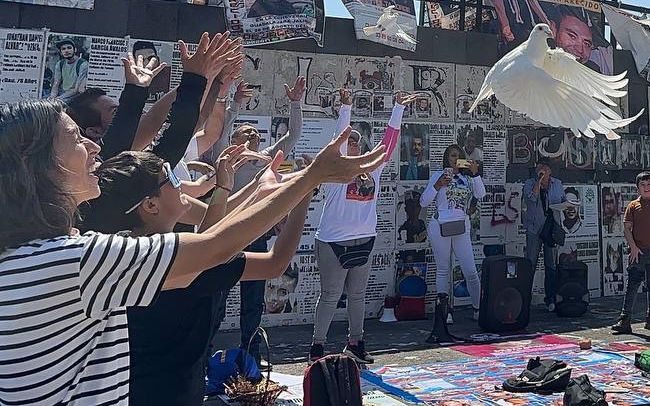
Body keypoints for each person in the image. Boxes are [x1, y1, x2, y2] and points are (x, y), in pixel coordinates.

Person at [0, 34, 387, 405]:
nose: (93, 147)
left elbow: (208, 221)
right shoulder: (74, 260)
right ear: (41, 166)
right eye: (75, 138)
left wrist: (194, 85)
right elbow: (217, 244)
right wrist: (310, 179)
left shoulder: (43, 252)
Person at [77, 145, 308, 406]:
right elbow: (274, 263)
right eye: (172, 178)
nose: (181, 184)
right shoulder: (177, 264)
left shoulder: (128, 253)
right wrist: (303, 194)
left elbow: (209, 242)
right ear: (150, 205)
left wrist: (230, 188)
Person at [210, 76, 305, 362]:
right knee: (217, 300)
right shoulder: (225, 156)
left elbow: (293, 135)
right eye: (246, 132)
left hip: (256, 237)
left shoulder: (266, 159)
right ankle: (203, 354)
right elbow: (221, 133)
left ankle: (250, 353)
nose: (253, 135)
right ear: (234, 140)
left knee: (253, 302)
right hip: (226, 238)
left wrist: (295, 103)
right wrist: (236, 103)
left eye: (256, 133)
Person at [310, 90, 407, 363]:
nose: (351, 144)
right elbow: (339, 137)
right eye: (348, 141)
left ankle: (356, 343)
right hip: (332, 240)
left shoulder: (372, 169)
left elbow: (388, 144)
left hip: (364, 238)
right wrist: (346, 108)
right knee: (330, 295)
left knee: (357, 295)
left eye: (356, 141)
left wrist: (398, 108)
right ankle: (317, 347)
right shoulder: (333, 172)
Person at [420, 144, 486, 323]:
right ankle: (445, 311)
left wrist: (475, 173)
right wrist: (437, 185)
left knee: (470, 271)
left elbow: (481, 194)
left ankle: (478, 309)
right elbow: (423, 202)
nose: (455, 159)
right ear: (446, 158)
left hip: (461, 227)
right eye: (452, 156)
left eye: (458, 156)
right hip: (440, 226)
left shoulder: (468, 178)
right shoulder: (438, 175)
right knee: (443, 269)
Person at [611, 171, 650, 335]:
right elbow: (627, 228)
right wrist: (633, 247)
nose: (646, 188)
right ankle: (625, 319)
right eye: (643, 185)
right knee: (633, 284)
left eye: (649, 184)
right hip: (637, 251)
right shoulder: (633, 206)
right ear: (637, 187)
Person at [522, 158, 566, 312]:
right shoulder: (529, 183)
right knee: (531, 263)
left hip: (551, 228)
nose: (541, 169)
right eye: (539, 167)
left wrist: (568, 206)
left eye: (545, 167)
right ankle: (525, 298)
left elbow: (563, 200)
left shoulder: (558, 184)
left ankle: (551, 299)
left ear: (550, 171)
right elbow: (530, 199)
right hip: (535, 229)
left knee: (551, 264)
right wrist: (539, 182)